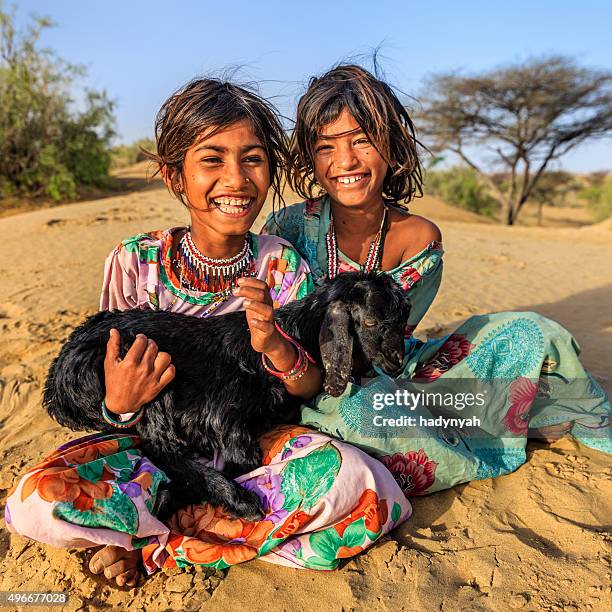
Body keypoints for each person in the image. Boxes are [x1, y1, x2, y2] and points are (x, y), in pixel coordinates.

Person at [6, 78, 411, 587]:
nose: (236, 180)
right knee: (34, 500)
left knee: (361, 481)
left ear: (272, 169)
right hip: (150, 451)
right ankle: (200, 529)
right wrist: (118, 402)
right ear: (175, 175)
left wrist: (278, 349)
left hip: (251, 448)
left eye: (253, 159)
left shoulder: (282, 265)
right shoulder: (134, 261)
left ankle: (151, 540)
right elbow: (105, 404)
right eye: (212, 160)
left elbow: (305, 389)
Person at [262, 64, 611, 498]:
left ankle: (499, 418)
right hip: (309, 382)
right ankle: (493, 422)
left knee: (536, 333)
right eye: (326, 147)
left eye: (361, 140)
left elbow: (390, 346)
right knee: (369, 419)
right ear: (310, 157)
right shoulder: (287, 227)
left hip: (395, 370)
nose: (346, 161)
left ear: (393, 146)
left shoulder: (420, 239)